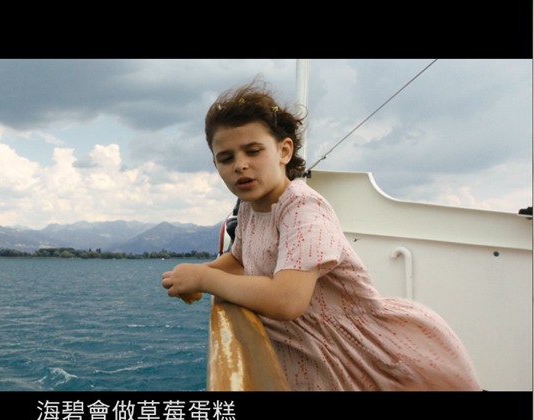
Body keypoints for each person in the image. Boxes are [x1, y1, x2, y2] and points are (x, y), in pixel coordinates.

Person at [161, 78, 482, 391]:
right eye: (226, 158)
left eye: (253, 151)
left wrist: (204, 279)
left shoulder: (302, 207)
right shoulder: (249, 209)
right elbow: (239, 259)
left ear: (284, 151)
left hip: (367, 357)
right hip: (316, 352)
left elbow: (287, 300)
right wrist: (193, 275)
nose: (240, 165)